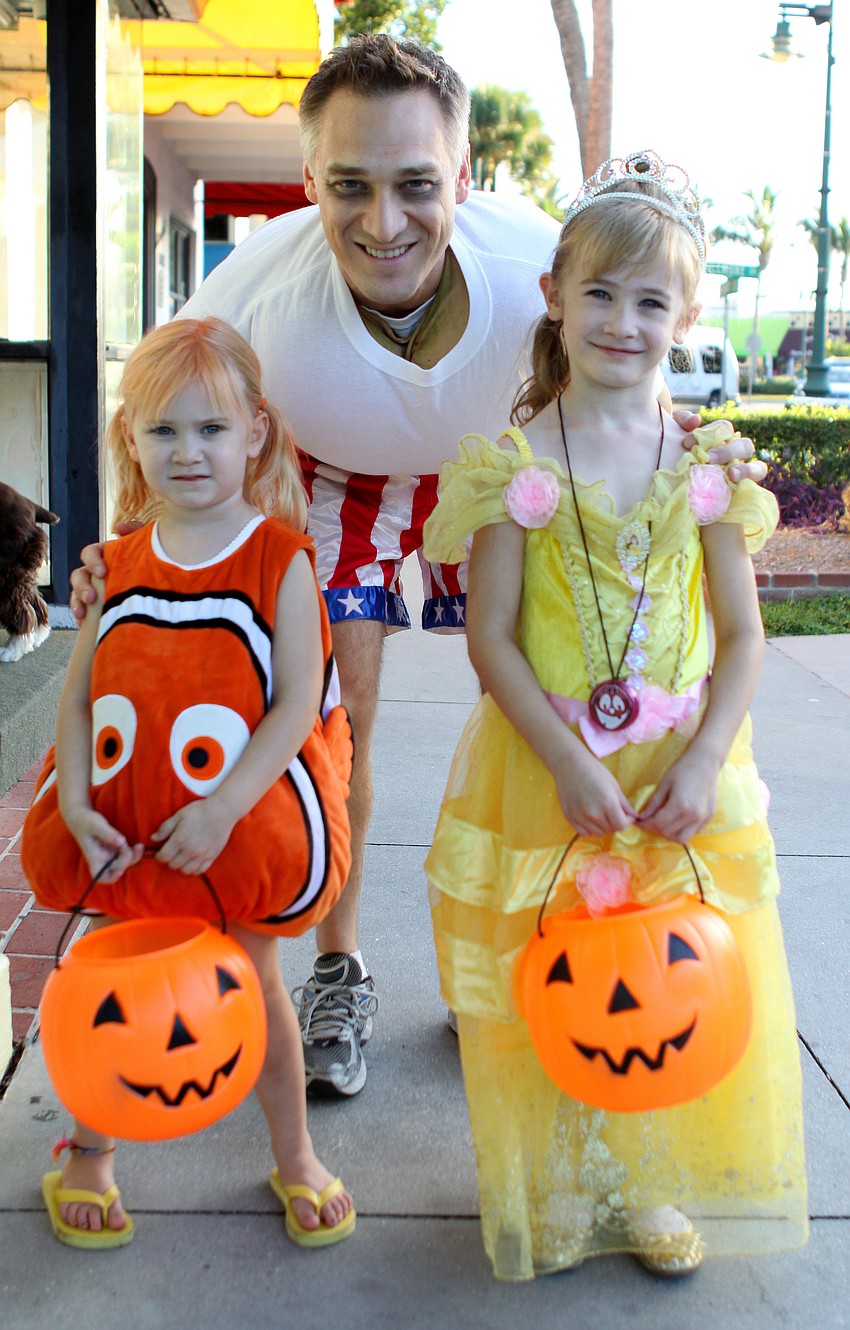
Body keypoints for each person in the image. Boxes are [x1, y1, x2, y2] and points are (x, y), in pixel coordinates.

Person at [69, 36, 766, 1100]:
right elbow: (157, 416)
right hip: (330, 472)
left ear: (466, 180)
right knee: (335, 716)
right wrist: (114, 557)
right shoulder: (246, 292)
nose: (383, 222)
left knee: (561, 709)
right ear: (308, 184)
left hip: (499, 464)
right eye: (348, 184)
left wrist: (714, 451)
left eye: (415, 186)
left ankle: (529, 951)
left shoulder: (541, 261)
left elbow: (638, 330)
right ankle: (340, 970)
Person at [422, 150, 807, 1281]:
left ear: (685, 314)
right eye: (599, 292)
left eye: (650, 301)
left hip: (680, 766)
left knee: (671, 970)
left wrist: (706, 759)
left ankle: (646, 1179)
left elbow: (740, 635)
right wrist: (560, 758)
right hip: (552, 769)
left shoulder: (706, 466)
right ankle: (553, 1178)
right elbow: (488, 635)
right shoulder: (510, 469)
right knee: (561, 968)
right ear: (554, 294)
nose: (622, 322)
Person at [21, 318, 356, 1250]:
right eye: (163, 430)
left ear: (255, 430)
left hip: (233, 824)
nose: (188, 452)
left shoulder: (279, 559)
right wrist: (78, 800)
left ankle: (293, 1154)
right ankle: (89, 1146)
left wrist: (222, 809)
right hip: (128, 826)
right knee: (118, 995)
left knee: (255, 979)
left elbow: (294, 706)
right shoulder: (118, 563)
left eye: (210, 429)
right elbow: (81, 694)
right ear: (132, 438)